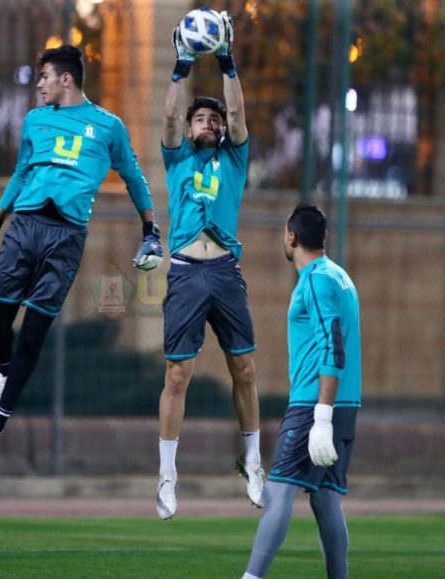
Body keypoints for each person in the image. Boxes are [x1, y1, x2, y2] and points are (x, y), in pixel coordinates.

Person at [0, 45, 163, 465]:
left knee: (33, 336)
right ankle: (3, 370)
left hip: (66, 238)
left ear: (65, 79)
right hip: (24, 228)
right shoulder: (34, 121)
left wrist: (151, 232)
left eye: (44, 76)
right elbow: (20, 174)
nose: (39, 84)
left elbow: (134, 177)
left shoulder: (108, 126)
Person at [156, 11, 264, 520]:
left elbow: (238, 112)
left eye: (213, 121)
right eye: (201, 118)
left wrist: (225, 58)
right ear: (189, 127)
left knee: (245, 368)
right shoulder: (177, 157)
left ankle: (254, 462)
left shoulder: (233, 158)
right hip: (184, 271)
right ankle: (167, 476)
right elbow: (168, 118)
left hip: (224, 272)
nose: (209, 123)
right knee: (178, 376)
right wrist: (181, 66)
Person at [242, 203, 362, 579]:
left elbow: (332, 345)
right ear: (323, 236)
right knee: (325, 498)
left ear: (291, 237)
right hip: (345, 405)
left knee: (279, 491)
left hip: (314, 405)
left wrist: (321, 418)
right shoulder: (340, 277)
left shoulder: (315, 280)